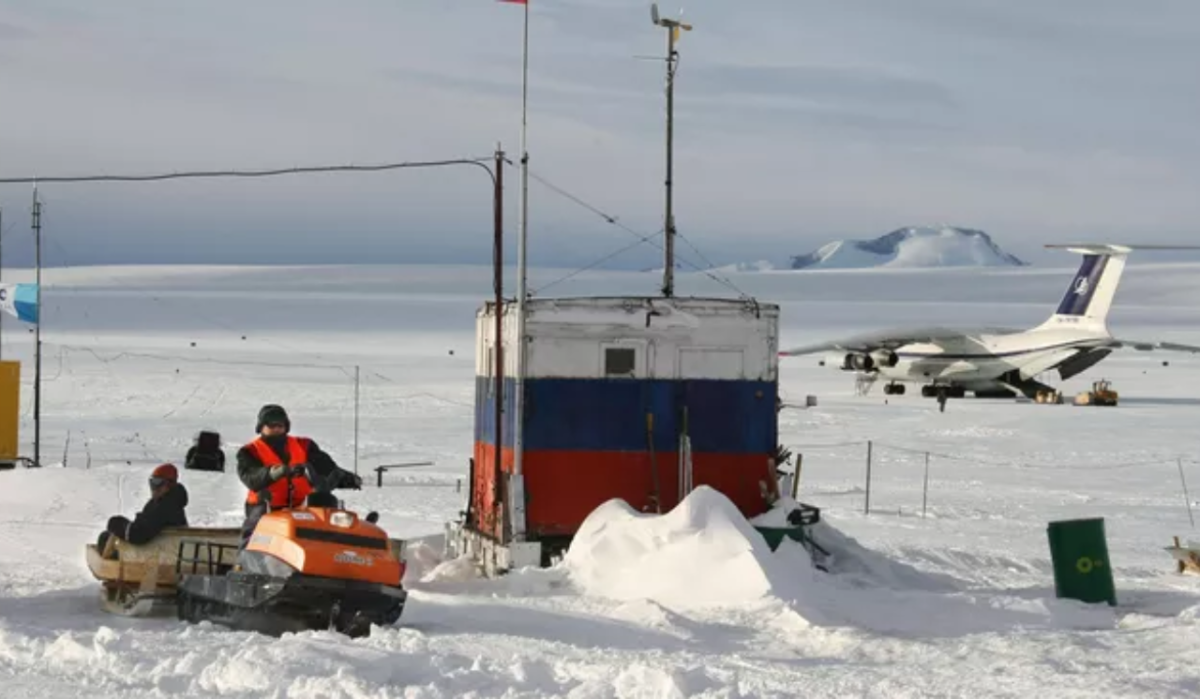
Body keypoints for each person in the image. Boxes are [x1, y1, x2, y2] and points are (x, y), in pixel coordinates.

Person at [236, 404, 362, 547]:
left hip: (303, 507)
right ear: (261, 427)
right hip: (266, 507)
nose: (277, 429)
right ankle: (243, 561)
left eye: (280, 425)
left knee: (329, 526)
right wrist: (274, 473)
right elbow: (251, 478)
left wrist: (346, 478)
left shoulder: (304, 445)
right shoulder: (249, 451)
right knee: (254, 533)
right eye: (271, 425)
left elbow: (326, 467)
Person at [96, 463, 189, 554]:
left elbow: (139, 535)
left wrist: (117, 525)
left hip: (157, 557)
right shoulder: (171, 502)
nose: (154, 487)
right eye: (151, 482)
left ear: (169, 484)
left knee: (105, 537)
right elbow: (147, 526)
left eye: (157, 482)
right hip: (168, 554)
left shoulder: (165, 506)